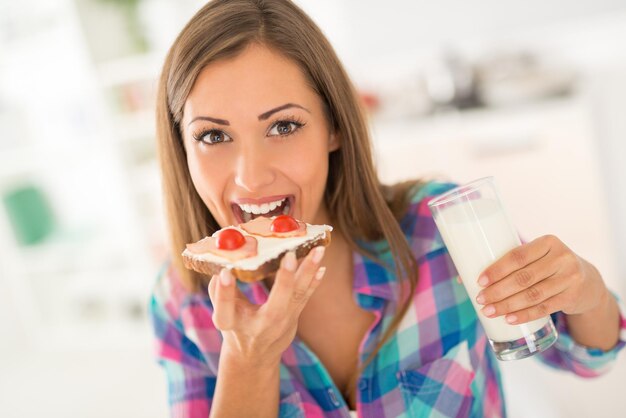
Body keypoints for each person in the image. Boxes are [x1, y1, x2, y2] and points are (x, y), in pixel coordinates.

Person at [148, 1, 626, 417]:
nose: (251, 176)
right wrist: (248, 362)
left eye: (283, 127)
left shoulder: (436, 228)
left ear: (334, 127)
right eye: (213, 136)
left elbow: (587, 358)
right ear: (182, 150)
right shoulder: (180, 303)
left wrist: (585, 291)